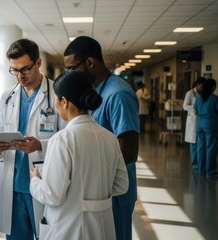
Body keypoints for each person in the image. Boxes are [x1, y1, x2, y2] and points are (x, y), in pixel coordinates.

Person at [30, 70, 129, 240]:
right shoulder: (110, 137)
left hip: (69, 229)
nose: (54, 104)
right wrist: (94, 193)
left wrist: (35, 180)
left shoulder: (62, 140)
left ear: (64, 102)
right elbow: (121, 185)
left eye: (55, 98)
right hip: (102, 229)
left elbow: (52, 195)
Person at [64, 36, 139, 240]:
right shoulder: (93, 92)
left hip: (115, 191)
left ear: (90, 63)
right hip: (98, 190)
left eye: (71, 69)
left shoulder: (118, 94)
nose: (68, 75)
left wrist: (93, 175)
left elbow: (130, 150)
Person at [0, 38, 64, 239]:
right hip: (12, 184)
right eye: (14, 70)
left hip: (43, 181)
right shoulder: (8, 96)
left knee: (45, 234)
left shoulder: (57, 94)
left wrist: (40, 145)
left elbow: (68, 139)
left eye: (24, 69)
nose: (19, 76)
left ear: (38, 63)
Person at [194, 78, 218, 177]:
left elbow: (195, 110)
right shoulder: (215, 98)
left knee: (200, 147)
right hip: (210, 124)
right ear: (212, 87)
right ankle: (210, 171)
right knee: (211, 147)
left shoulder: (199, 98)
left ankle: (201, 170)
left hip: (199, 124)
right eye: (215, 86)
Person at [183, 77, 206, 172]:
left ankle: (201, 163)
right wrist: (195, 108)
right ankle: (195, 163)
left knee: (201, 143)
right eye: (201, 86)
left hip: (201, 120)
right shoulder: (190, 93)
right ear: (197, 84)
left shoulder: (205, 93)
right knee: (193, 143)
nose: (202, 88)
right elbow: (184, 106)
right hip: (193, 120)